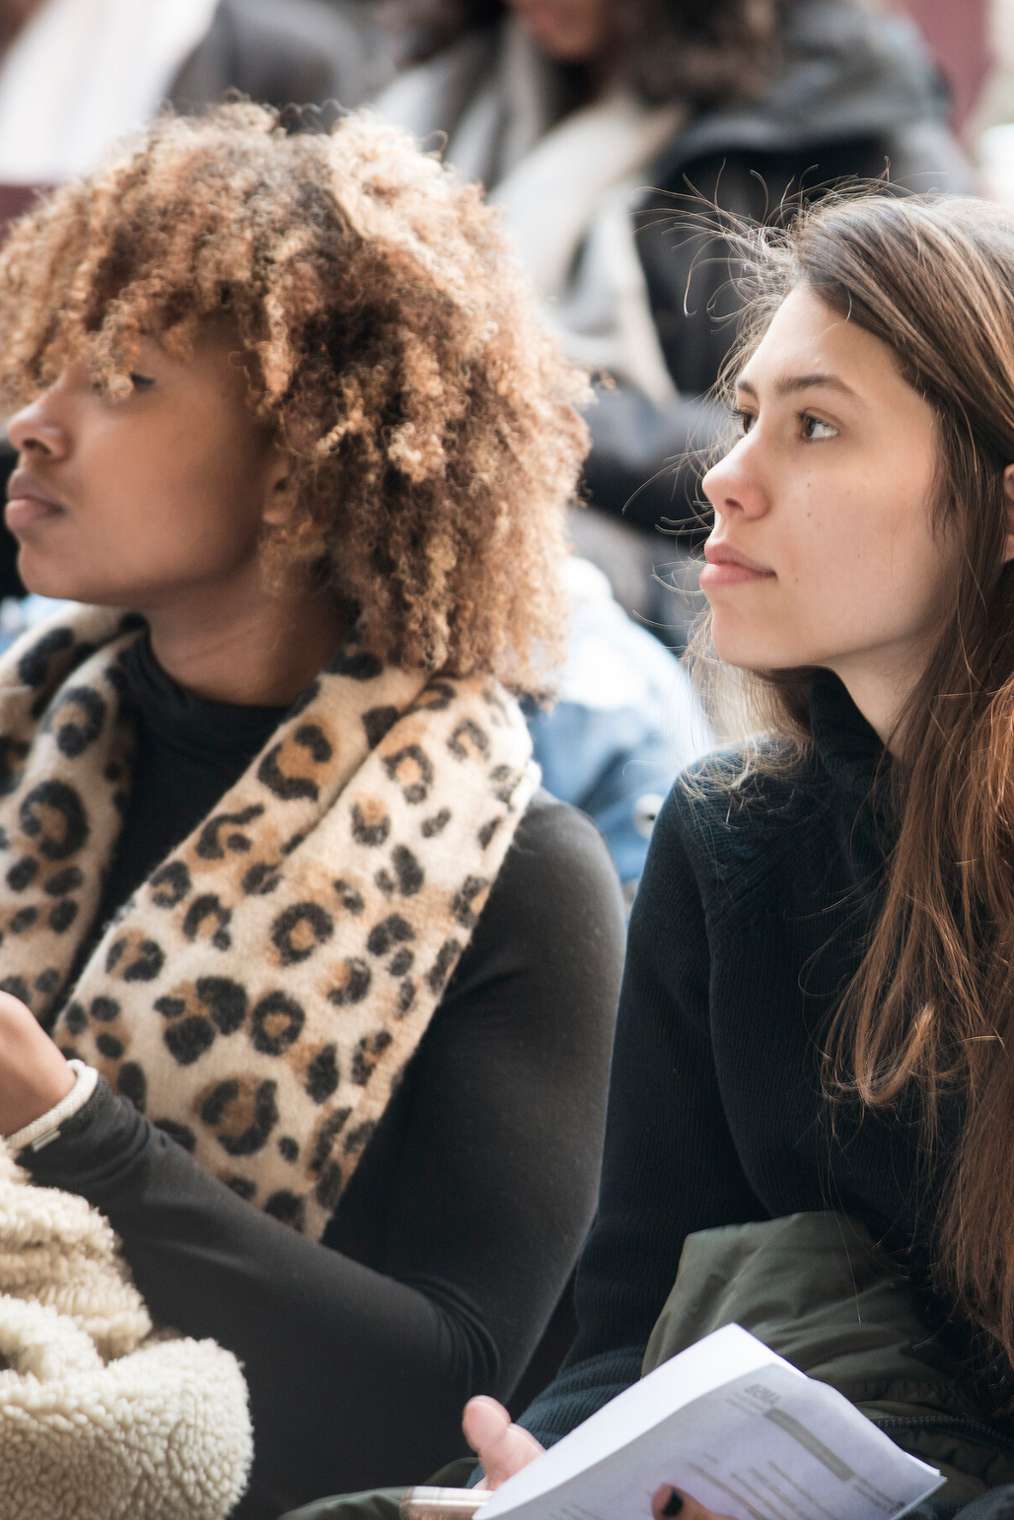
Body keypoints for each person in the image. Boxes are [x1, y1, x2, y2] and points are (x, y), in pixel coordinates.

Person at [287, 188, 1014, 1520]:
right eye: (745, 416)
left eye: (814, 425)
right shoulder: (735, 838)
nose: (725, 476)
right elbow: (626, 1329)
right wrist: (542, 1481)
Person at [0, 102, 626, 1518]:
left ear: (306, 454)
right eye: (46, 373)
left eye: (125, 381)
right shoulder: (16, 755)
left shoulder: (518, 876)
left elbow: (446, 1387)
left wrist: (70, 1133)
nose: (32, 425)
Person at [374, 0, 970, 622]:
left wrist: (522, 411)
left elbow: (910, 447)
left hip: (700, 598)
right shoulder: (440, 94)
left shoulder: (853, 116)